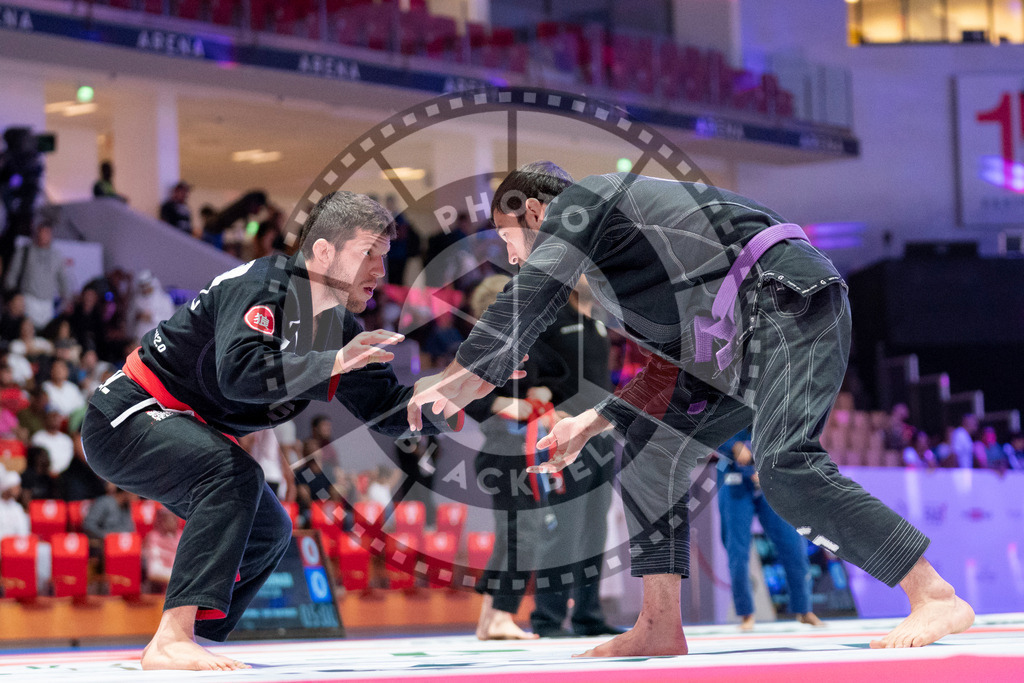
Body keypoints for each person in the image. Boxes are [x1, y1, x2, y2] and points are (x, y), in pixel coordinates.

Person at [411, 163, 974, 656]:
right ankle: (660, 625)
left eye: (508, 238)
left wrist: (468, 373)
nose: (509, 256)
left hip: (786, 298)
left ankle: (933, 593)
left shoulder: (585, 201)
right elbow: (673, 370)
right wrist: (592, 419)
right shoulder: (615, 283)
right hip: (738, 339)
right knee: (652, 458)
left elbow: (537, 287)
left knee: (783, 466)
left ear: (535, 211)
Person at [80, 190, 515, 671]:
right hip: (127, 413)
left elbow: (392, 411)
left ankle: (189, 636)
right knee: (233, 477)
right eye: (367, 254)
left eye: (384, 257)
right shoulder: (265, 285)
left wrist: (468, 386)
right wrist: (333, 362)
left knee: (269, 530)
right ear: (324, 252)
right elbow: (238, 373)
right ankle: (170, 638)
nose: (379, 271)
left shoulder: (341, 331)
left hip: (183, 424)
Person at [716, 430, 823, 631]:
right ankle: (746, 613)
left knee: (793, 544)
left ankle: (804, 609)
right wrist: (733, 445)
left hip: (772, 475)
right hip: (733, 476)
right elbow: (707, 423)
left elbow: (791, 428)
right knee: (737, 552)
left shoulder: (779, 399)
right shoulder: (721, 397)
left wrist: (774, 465)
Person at [4, 220, 71, 329]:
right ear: (36, 233)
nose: (43, 236)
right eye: (41, 232)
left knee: (45, 334)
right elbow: (13, 274)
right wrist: (12, 297)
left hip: (47, 303)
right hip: (28, 298)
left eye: (47, 233)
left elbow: (63, 279)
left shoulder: (56, 256)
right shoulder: (25, 251)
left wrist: (67, 298)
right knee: (26, 331)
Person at [144, 505, 184, 593]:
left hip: (180, 588)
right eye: (166, 518)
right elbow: (153, 572)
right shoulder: (153, 537)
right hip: (159, 590)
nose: (170, 521)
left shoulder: (183, 537)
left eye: (173, 517)